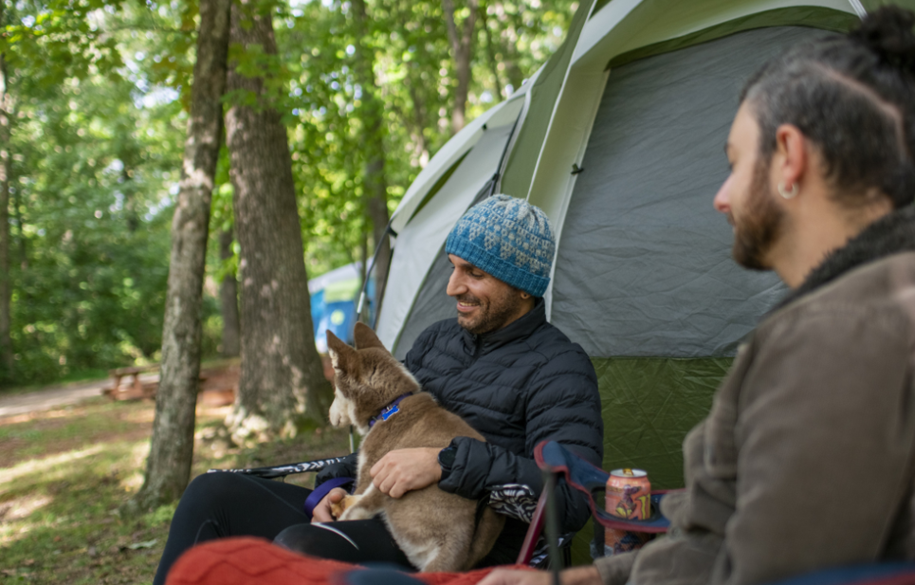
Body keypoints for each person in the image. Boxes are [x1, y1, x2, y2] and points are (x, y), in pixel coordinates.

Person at [482, 6, 915, 585]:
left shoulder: (841, 344)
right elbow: (717, 546)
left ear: (789, 159)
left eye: (733, 164)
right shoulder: (894, 305)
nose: (721, 198)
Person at [152, 195, 604, 585]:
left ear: (523, 285)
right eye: (453, 268)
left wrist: (444, 463)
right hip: (379, 506)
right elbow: (388, 434)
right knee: (212, 492)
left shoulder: (561, 369)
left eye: (474, 273)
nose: (452, 287)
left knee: (304, 547)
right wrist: (336, 485)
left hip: (451, 542)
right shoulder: (436, 341)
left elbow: (568, 501)